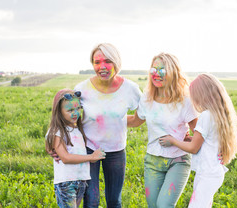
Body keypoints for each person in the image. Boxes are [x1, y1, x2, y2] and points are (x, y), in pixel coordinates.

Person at [74, 43, 142, 208]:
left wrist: (117, 121)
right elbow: (68, 119)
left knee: (114, 201)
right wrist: (57, 145)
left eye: (107, 61)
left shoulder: (130, 89)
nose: (102, 67)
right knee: (91, 202)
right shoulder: (82, 89)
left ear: (116, 63)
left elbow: (142, 116)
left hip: (116, 151)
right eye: (97, 62)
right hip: (89, 150)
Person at [159, 74, 237, 208]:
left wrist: (173, 141)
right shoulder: (218, 115)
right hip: (213, 173)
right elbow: (208, 142)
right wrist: (188, 138)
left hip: (207, 174)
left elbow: (193, 148)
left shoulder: (206, 116)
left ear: (201, 96)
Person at [127, 53, 198, 208]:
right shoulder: (147, 97)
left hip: (178, 161)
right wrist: (105, 120)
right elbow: (135, 121)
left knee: (164, 206)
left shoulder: (185, 100)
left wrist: (187, 141)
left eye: (162, 70)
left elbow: (199, 132)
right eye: (154, 69)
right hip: (152, 161)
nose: (156, 74)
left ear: (173, 72)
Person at [45, 89, 106, 208]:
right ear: (59, 112)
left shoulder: (77, 129)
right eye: (70, 110)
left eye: (78, 108)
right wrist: (91, 156)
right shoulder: (57, 131)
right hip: (66, 182)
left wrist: (92, 158)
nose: (76, 113)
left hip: (81, 180)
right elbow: (65, 158)